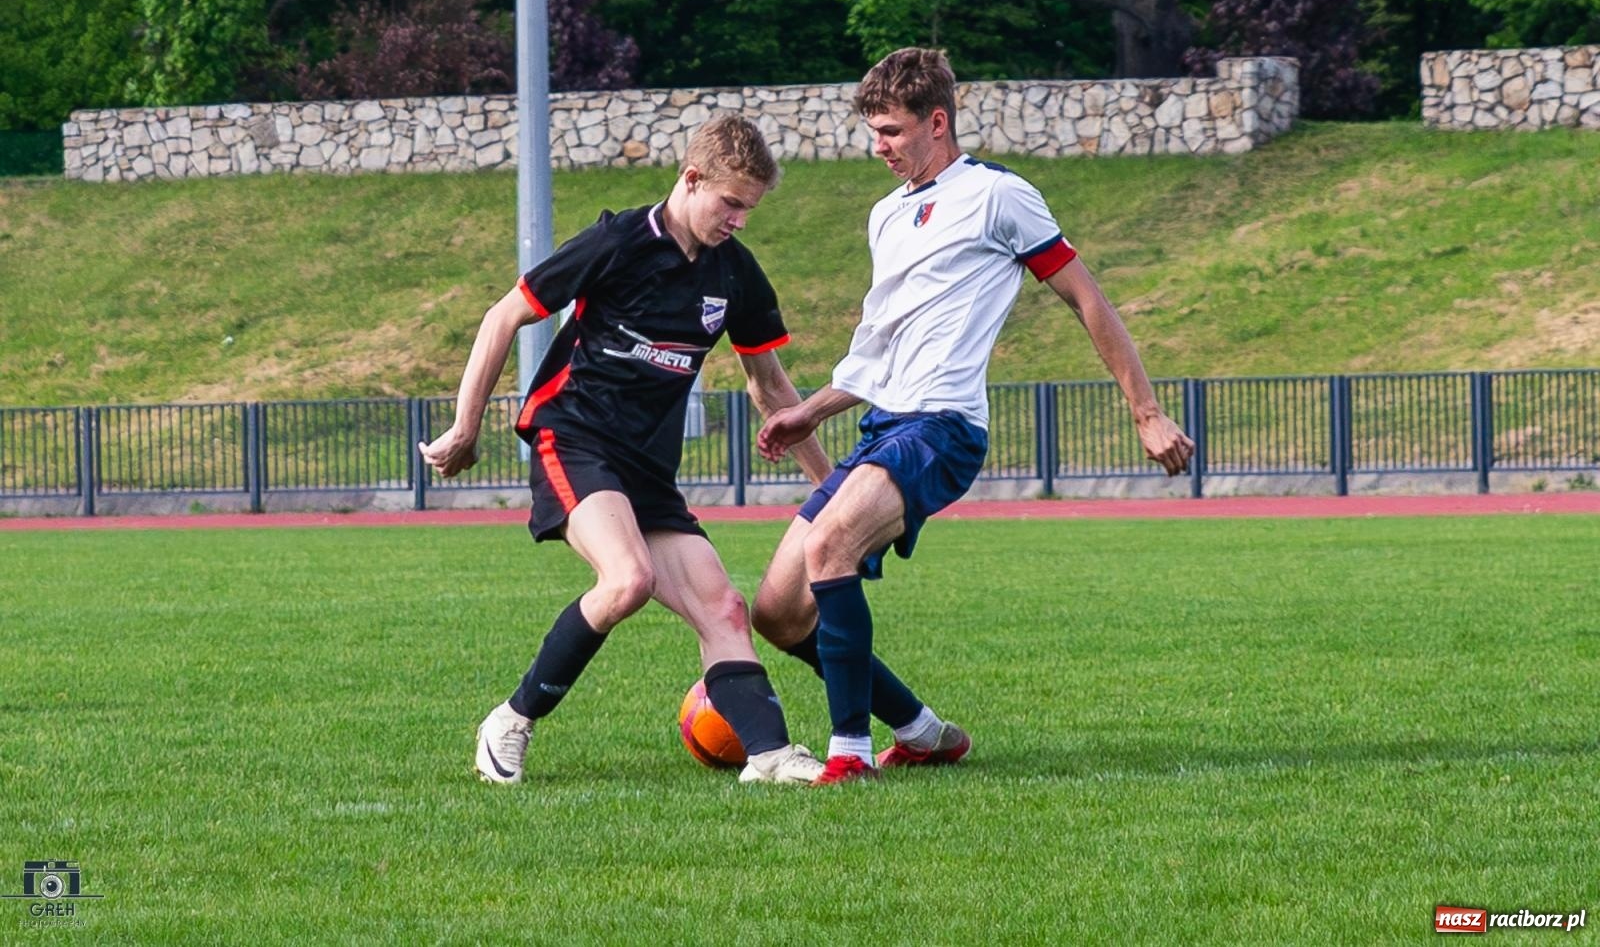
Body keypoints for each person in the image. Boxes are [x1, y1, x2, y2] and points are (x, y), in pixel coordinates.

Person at [753, 48, 1195, 785]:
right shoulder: (885, 216)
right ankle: (923, 733)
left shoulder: (1000, 196)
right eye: (874, 132)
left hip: (944, 429)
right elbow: (879, 345)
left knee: (829, 546)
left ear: (938, 121)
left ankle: (848, 757)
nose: (880, 147)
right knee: (777, 613)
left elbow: (1088, 299)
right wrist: (811, 412)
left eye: (892, 131)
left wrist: (1145, 412)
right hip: (882, 428)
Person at [420, 115, 833, 786]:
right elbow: (505, 316)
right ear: (691, 179)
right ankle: (511, 720)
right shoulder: (618, 242)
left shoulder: (736, 276)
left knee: (724, 607)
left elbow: (771, 388)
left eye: (749, 209)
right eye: (730, 203)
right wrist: (466, 428)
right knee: (628, 580)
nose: (739, 220)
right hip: (574, 436)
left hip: (646, 470)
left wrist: (833, 490)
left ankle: (770, 756)